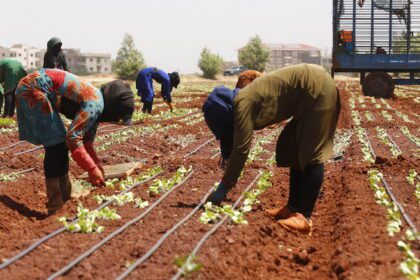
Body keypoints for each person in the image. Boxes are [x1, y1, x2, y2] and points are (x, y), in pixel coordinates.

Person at [202, 64, 341, 235]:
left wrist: (223, 188)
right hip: (309, 90)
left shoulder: (242, 102)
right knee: (293, 148)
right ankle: (292, 208)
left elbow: (241, 148)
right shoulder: (240, 99)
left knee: (311, 152)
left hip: (317, 89)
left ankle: (304, 217)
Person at [15, 69, 134, 214]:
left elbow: (87, 141)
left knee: (60, 145)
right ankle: (55, 203)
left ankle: (66, 193)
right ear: (113, 108)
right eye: (118, 116)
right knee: (55, 145)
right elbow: (73, 139)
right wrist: (91, 169)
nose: (115, 120)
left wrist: (97, 164)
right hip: (33, 87)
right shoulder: (94, 104)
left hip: (37, 86)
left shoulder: (98, 105)